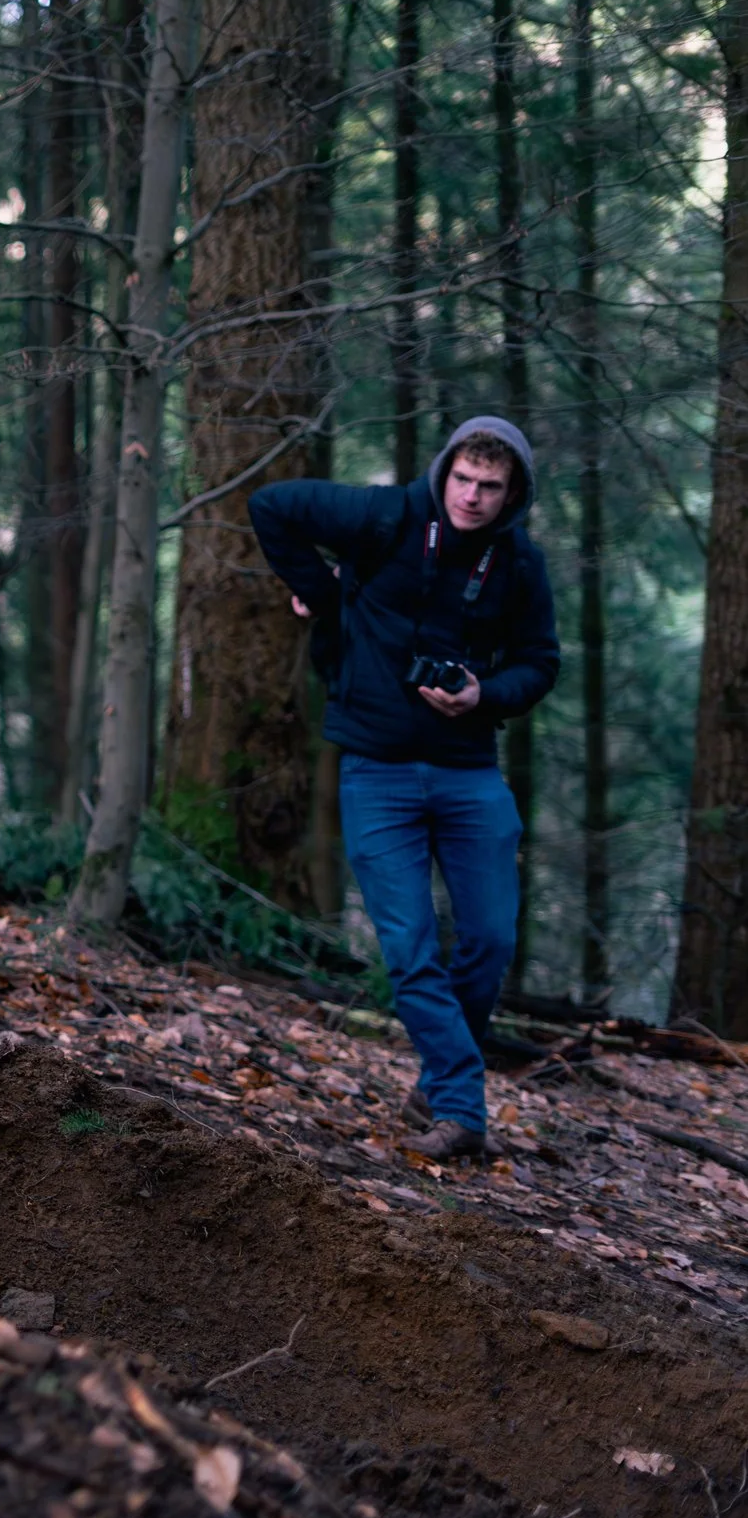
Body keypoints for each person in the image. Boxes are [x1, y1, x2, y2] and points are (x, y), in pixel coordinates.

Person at [249, 417, 560, 1160]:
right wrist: (319, 590)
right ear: (443, 470)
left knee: (488, 939)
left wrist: (484, 693)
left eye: (491, 486)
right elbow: (272, 504)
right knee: (411, 946)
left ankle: (436, 1075)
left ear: (512, 491)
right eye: (463, 479)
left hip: (469, 771)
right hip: (377, 770)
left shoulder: (518, 562)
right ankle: (460, 1108)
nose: (472, 497)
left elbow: (541, 662)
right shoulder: (387, 515)